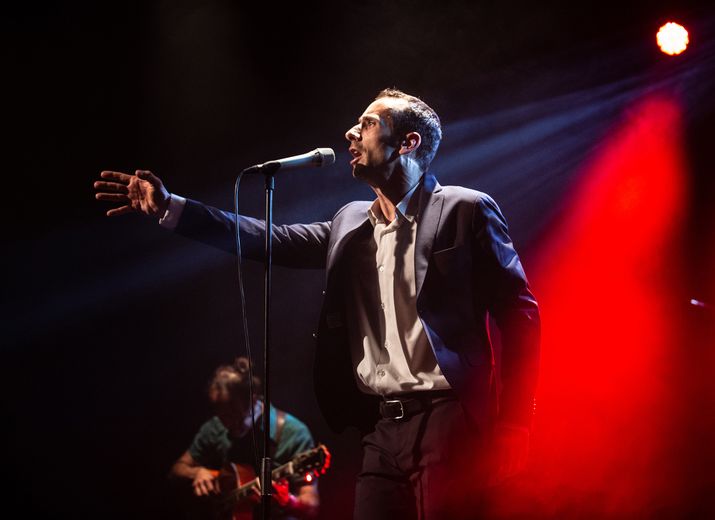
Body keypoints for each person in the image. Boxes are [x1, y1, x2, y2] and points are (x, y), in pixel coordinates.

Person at [95, 88, 540, 519]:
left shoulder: (466, 209)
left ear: (408, 142)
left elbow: (520, 316)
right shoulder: (349, 221)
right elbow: (268, 238)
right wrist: (172, 208)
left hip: (450, 418)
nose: (350, 133)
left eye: (366, 123)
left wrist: (516, 423)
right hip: (381, 428)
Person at [169, 357, 320, 519]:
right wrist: (197, 472)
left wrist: (288, 502)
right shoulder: (215, 427)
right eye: (223, 417)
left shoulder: (294, 433)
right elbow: (176, 470)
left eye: (235, 415)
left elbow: (311, 506)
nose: (229, 424)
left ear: (253, 400)